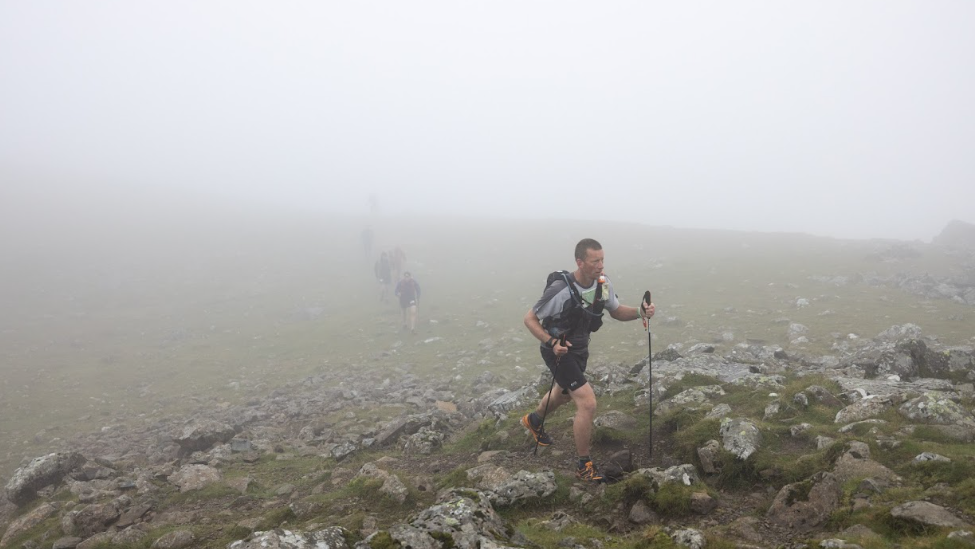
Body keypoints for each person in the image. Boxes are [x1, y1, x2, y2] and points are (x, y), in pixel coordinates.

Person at [520, 238, 655, 482]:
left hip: (580, 349)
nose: (601, 266)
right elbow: (530, 319)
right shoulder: (560, 290)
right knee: (587, 403)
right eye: (595, 261)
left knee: (562, 395)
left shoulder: (603, 284)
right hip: (558, 351)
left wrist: (639, 312)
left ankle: (534, 420)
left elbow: (615, 311)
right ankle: (584, 465)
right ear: (580, 262)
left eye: (602, 259)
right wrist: (551, 343)